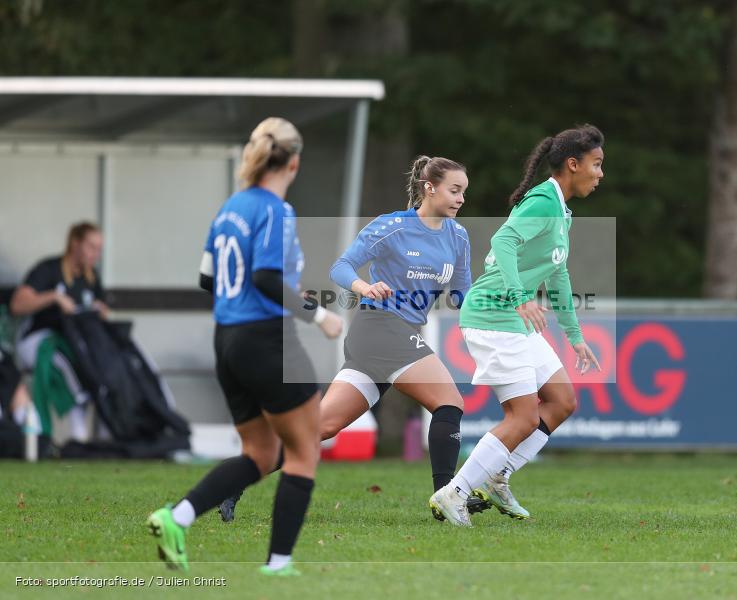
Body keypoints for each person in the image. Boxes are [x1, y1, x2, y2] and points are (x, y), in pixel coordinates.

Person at [220, 155, 491, 523]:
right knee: (450, 402)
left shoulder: (457, 237)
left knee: (320, 427)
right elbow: (341, 267)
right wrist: (364, 286)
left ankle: (232, 481)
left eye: (464, 192)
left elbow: (462, 294)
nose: (461, 199)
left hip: (396, 337)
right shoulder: (392, 226)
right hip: (378, 328)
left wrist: (497, 302)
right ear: (429, 188)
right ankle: (447, 496)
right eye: (454, 190)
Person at [146, 117, 341, 576]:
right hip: (267, 340)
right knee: (304, 449)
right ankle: (279, 564)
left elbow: (207, 278)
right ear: (293, 164)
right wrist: (318, 314)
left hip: (228, 341)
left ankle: (177, 518)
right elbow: (265, 276)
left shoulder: (230, 208)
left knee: (260, 454)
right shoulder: (276, 210)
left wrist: (260, 298)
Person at [430, 125, 604, 526]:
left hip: (511, 317)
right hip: (493, 315)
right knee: (523, 417)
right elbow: (503, 242)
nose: (600, 174)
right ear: (572, 164)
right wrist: (520, 297)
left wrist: (575, 337)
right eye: (596, 165)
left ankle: (498, 476)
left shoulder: (560, 210)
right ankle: (454, 493)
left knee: (562, 401)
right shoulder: (542, 201)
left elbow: (558, 275)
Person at [10, 222, 108, 441]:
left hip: (72, 345)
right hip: (36, 341)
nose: (96, 254)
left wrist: (99, 311)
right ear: (75, 243)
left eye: (99, 249)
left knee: (96, 364)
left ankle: (104, 436)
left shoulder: (91, 277)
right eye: (91, 247)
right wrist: (53, 297)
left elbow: (102, 313)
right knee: (66, 363)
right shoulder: (48, 269)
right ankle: (75, 434)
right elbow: (17, 305)